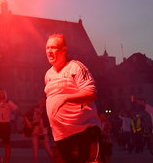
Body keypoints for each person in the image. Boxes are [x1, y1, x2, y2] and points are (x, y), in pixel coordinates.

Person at [44, 33, 101, 163]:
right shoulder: (48, 75)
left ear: (64, 50)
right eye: (47, 48)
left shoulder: (76, 67)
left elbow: (91, 93)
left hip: (84, 132)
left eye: (53, 47)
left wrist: (66, 99)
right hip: (61, 137)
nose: (49, 51)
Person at [24, 98, 53, 162]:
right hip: (35, 129)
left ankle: (53, 160)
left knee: (47, 147)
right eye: (40, 101)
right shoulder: (34, 108)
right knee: (35, 147)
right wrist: (29, 123)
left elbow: (48, 120)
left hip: (43, 129)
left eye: (42, 101)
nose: (41, 102)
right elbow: (26, 115)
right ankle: (35, 161)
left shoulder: (46, 109)